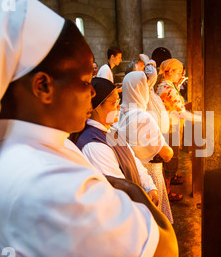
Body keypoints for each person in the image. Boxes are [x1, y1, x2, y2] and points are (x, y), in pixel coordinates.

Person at [0, 0, 177, 257]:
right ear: (43, 86)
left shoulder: (34, 147)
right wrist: (128, 188)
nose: (91, 94)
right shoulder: (45, 179)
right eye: (86, 82)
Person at [76, 77, 159, 206]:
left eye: (118, 101)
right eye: (114, 103)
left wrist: (149, 186)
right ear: (97, 107)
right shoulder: (94, 145)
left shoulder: (111, 130)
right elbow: (118, 193)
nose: (119, 107)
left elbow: (133, 159)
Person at [117, 71, 174, 224]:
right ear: (140, 90)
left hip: (132, 176)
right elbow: (166, 154)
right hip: (150, 177)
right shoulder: (144, 118)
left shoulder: (119, 114)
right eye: (145, 86)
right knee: (157, 221)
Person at [157, 59, 200, 200]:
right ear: (170, 72)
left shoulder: (168, 85)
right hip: (170, 127)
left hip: (170, 125)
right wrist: (200, 119)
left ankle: (168, 184)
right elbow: (180, 112)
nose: (181, 75)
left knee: (172, 157)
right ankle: (167, 191)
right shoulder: (168, 88)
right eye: (179, 72)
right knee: (171, 158)